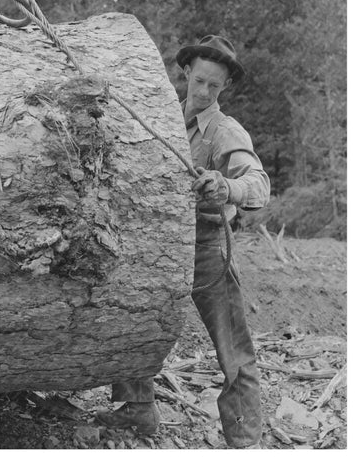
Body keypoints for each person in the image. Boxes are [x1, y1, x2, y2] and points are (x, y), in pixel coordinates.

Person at [96, 35, 270, 449]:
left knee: (234, 347)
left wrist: (226, 187)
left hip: (208, 248)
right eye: (200, 81)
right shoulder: (162, 120)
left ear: (224, 86)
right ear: (187, 72)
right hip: (159, 246)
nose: (205, 91)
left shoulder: (226, 131)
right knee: (134, 318)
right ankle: (138, 407)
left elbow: (258, 184)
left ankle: (245, 439)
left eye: (215, 85)